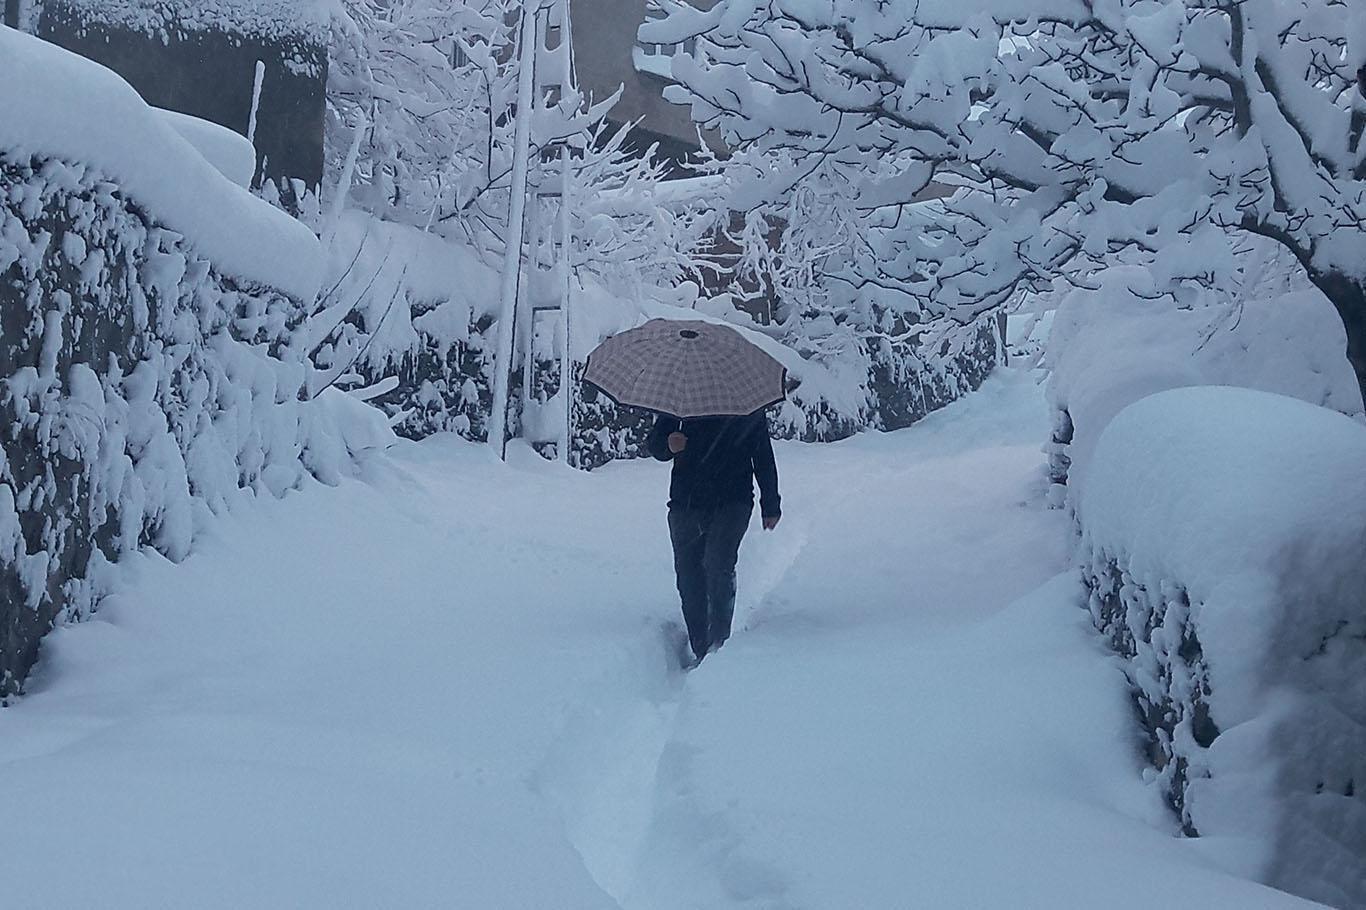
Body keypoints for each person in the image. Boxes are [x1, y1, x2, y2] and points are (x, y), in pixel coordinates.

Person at [647, 410, 781, 666]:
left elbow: (762, 453)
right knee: (688, 574)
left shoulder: (745, 403)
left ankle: (719, 644)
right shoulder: (681, 401)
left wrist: (771, 502)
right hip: (686, 502)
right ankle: (700, 645)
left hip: (733, 500)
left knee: (718, 563)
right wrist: (668, 444)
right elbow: (655, 444)